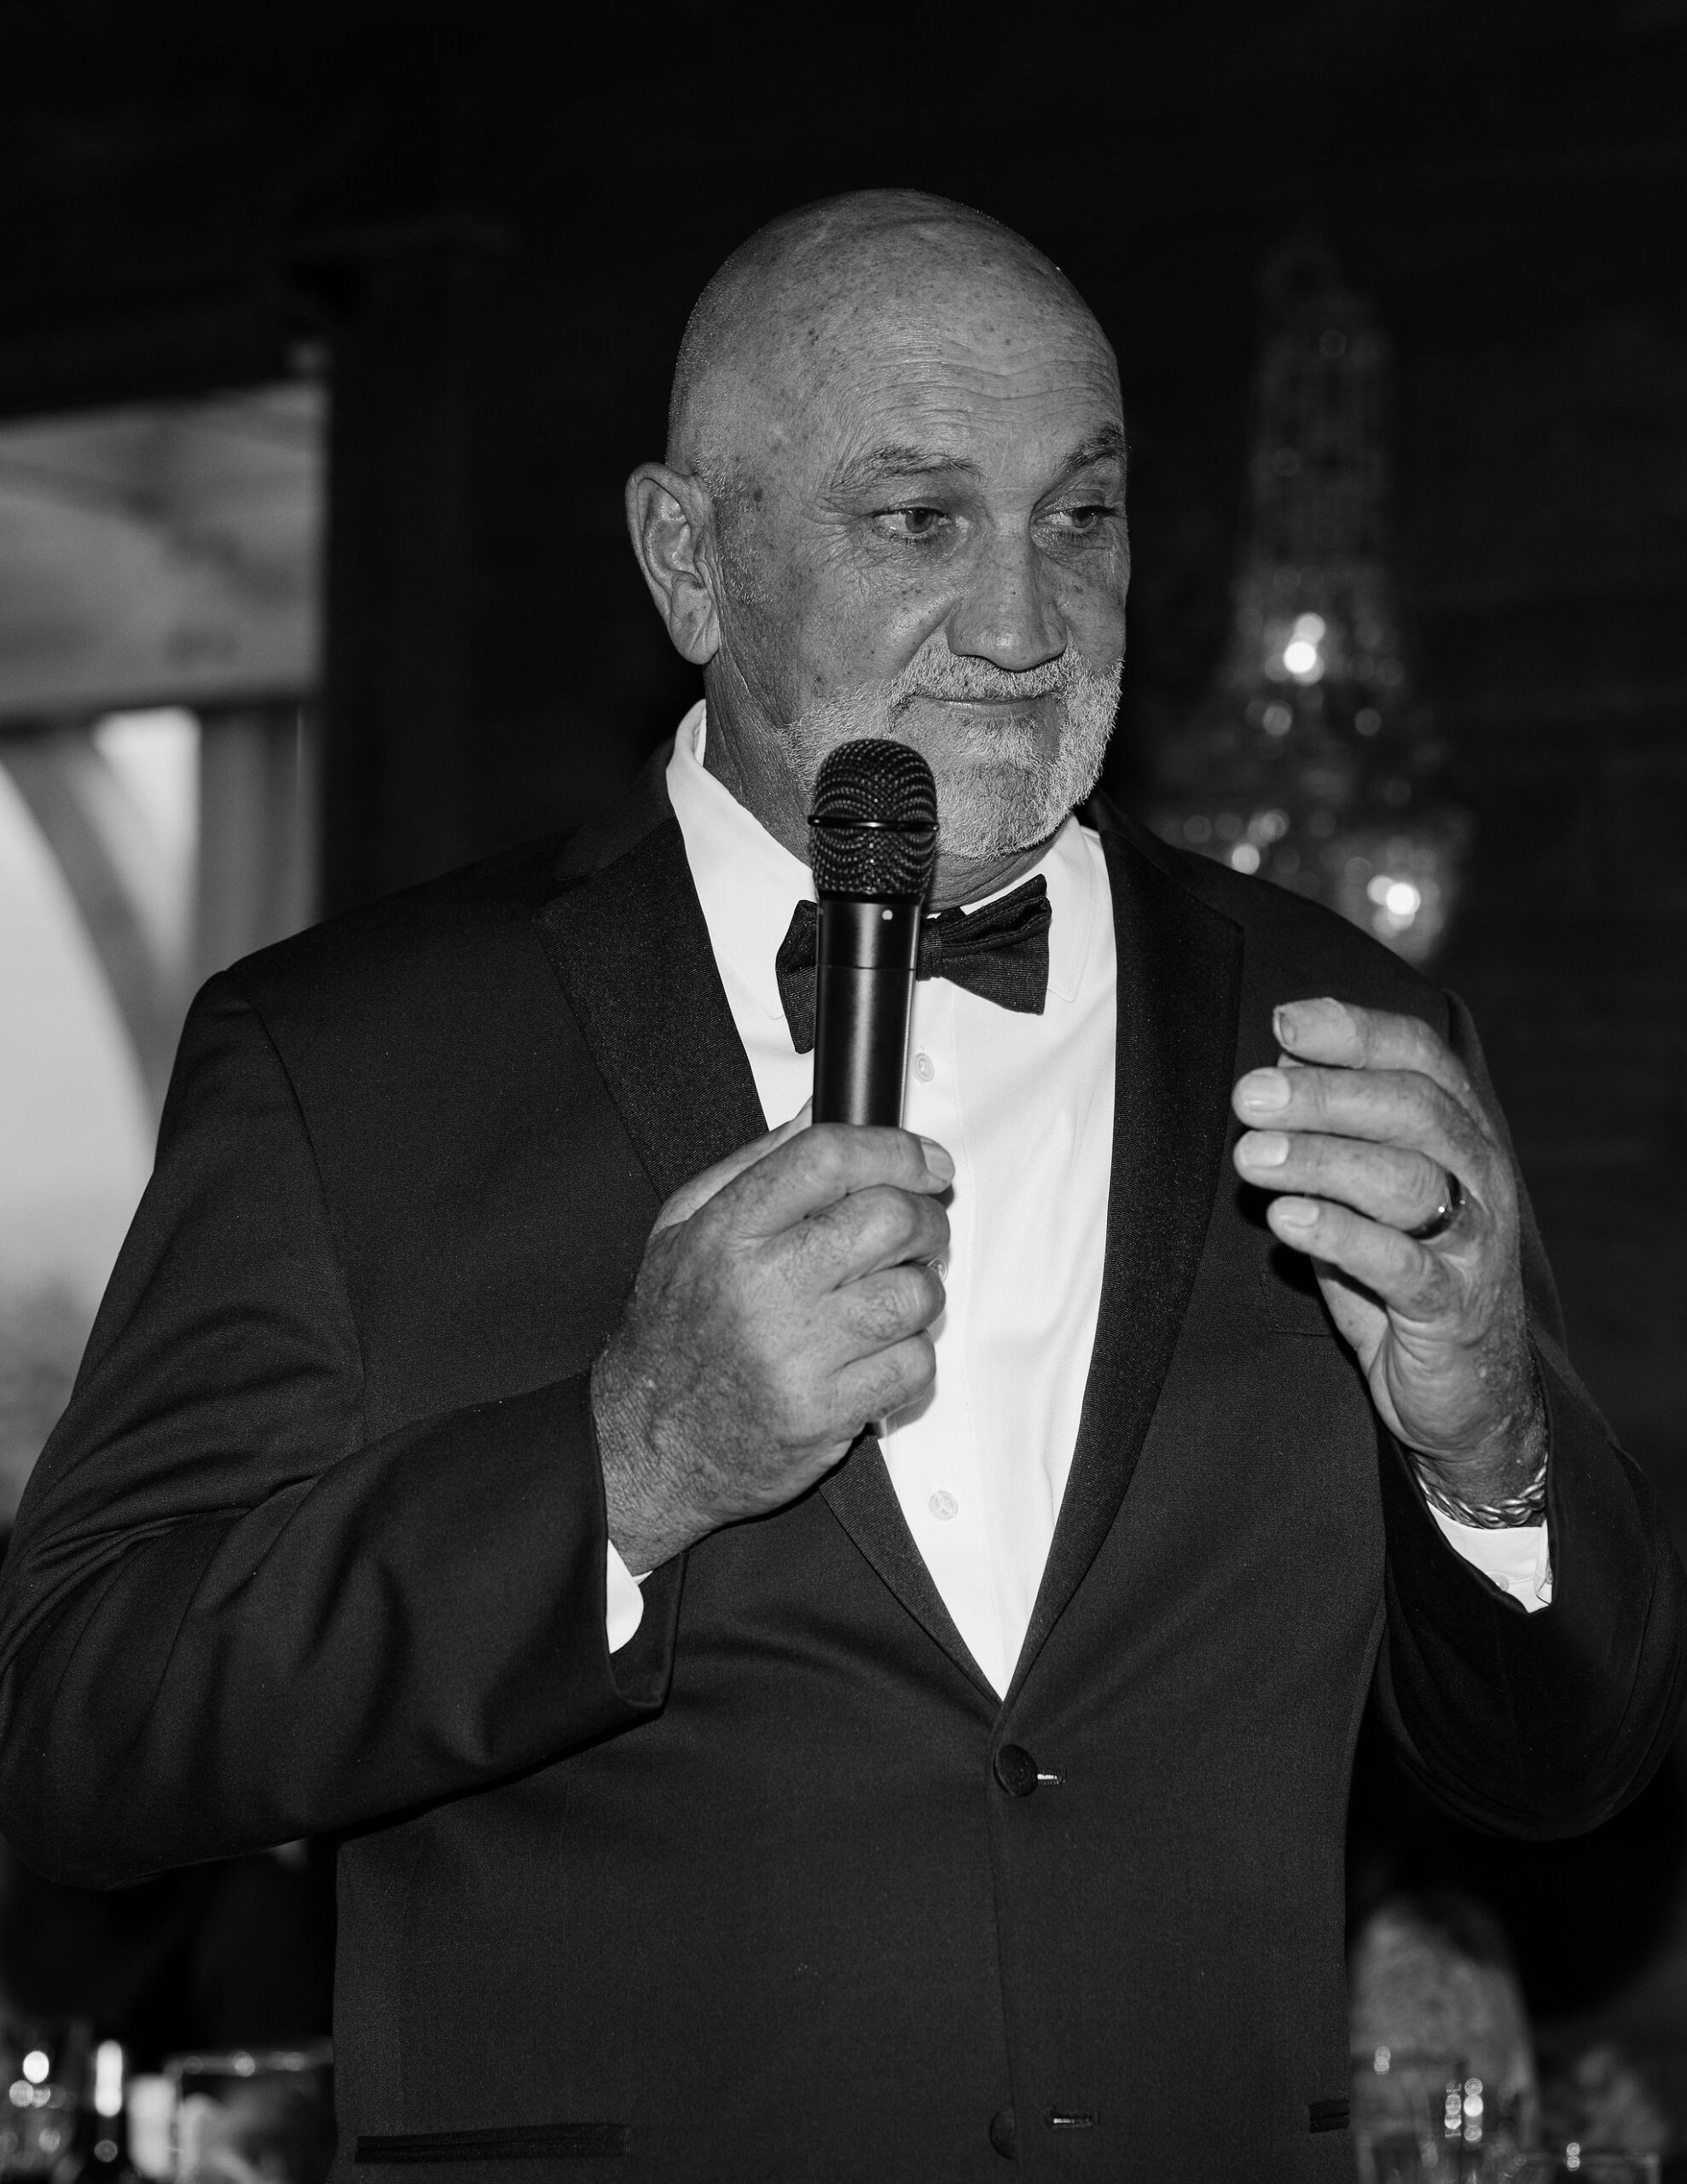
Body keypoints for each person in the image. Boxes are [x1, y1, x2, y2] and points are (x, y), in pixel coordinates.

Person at [0, 191, 1678, 2183]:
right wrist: (623, 1459)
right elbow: (75, 1733)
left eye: (1079, 516)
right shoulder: (352, 1058)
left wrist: (1485, 1438)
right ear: (687, 559)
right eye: (916, 520)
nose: (1021, 621)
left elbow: (1566, 1770)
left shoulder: (1336, 1017)